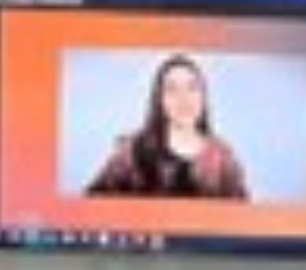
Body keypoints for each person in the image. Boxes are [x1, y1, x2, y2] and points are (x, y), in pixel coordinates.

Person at [84, 53, 250, 199]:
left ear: (204, 97)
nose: (183, 98)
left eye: (192, 88)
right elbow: (92, 201)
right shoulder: (132, 151)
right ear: (159, 100)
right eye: (172, 89)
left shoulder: (223, 159)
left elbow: (242, 220)